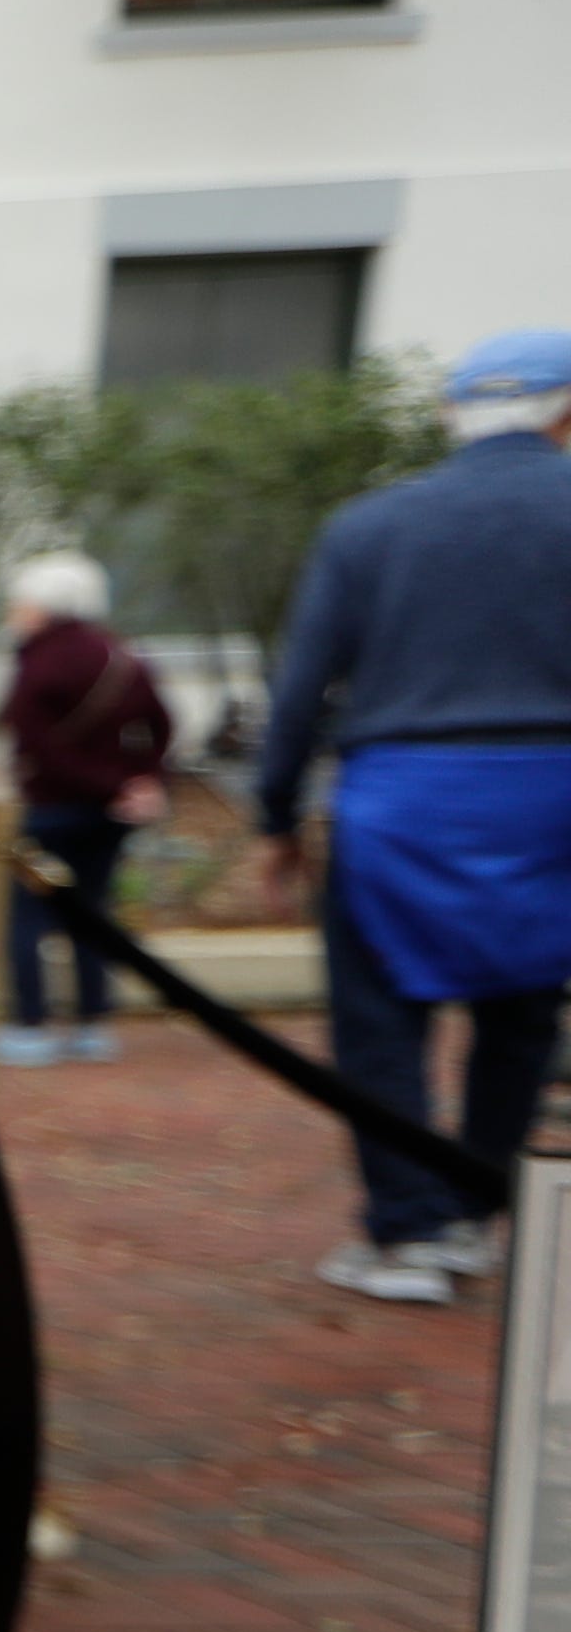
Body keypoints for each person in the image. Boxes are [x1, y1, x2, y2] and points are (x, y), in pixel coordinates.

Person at [253, 326, 571, 1303]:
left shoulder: (371, 526)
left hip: (402, 800)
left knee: (379, 1025)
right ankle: (476, 1211)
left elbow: (301, 688)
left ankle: (409, 1229)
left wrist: (274, 813)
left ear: (452, 417)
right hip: (553, 794)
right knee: (520, 1019)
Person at [0, 550, 170, 1069]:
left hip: (49, 808)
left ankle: (31, 1025)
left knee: (24, 914)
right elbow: (162, 723)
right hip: (109, 816)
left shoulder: (37, 661)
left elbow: (34, 743)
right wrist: (139, 781)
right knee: (92, 913)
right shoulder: (122, 657)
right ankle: (94, 1024)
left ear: (41, 604)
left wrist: (102, 785)